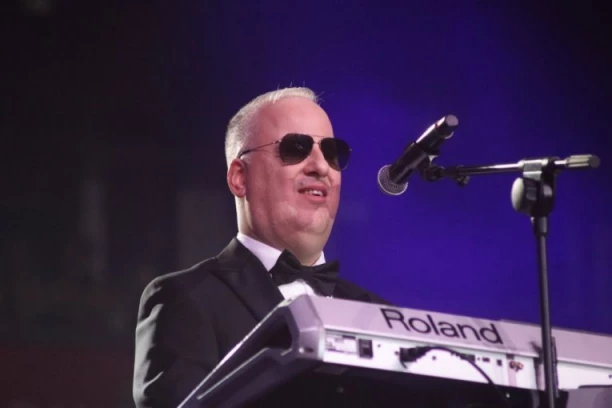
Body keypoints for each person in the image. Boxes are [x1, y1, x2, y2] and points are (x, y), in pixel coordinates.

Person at [132, 87, 389, 408]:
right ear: (240, 178)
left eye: (332, 152)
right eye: (296, 148)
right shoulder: (186, 300)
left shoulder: (378, 314)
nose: (321, 167)